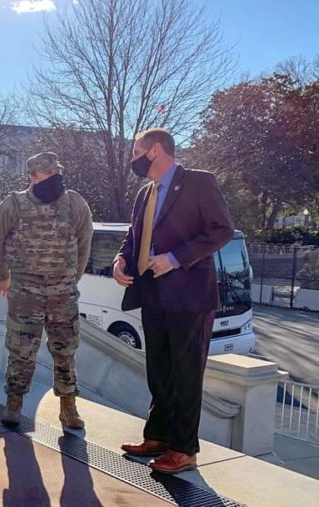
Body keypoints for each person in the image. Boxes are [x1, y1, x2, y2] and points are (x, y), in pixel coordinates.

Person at [113, 128, 234, 474]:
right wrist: (121, 260)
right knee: (159, 370)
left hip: (189, 297)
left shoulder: (198, 182)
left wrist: (176, 258)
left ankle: (184, 450)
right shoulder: (144, 193)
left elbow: (222, 229)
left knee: (185, 373)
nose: (133, 158)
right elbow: (133, 236)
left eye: (136, 151)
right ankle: (159, 436)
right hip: (152, 294)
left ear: (154, 151)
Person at [0, 152, 93, 429]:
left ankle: (68, 406)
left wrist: (73, 278)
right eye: (48, 174)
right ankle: (14, 402)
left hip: (62, 292)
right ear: (33, 177)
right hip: (25, 290)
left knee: (65, 349)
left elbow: (84, 243)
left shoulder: (75, 203)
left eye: (57, 172)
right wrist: (3, 276)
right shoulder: (13, 205)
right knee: (21, 349)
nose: (55, 178)